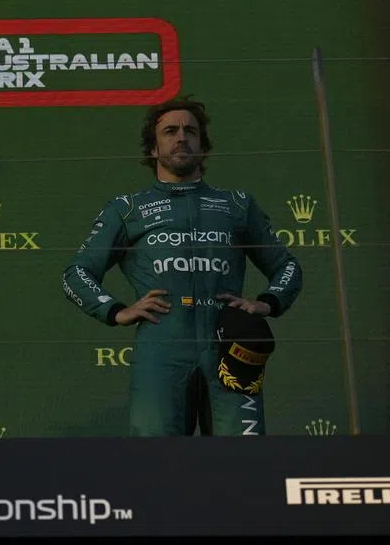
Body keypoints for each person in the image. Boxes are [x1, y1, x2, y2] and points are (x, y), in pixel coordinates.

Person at [61, 96, 302, 436]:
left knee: (246, 466)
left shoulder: (237, 204)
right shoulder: (128, 209)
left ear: (203, 146)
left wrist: (268, 302)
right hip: (161, 349)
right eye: (169, 131)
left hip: (229, 345)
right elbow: (77, 273)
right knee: (157, 466)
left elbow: (287, 266)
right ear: (154, 149)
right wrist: (115, 311)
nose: (181, 138)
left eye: (190, 131)